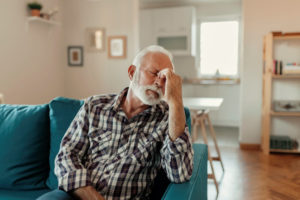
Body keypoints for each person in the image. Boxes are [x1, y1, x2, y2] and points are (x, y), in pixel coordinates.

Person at [38, 45, 193, 200]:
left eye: (166, 78)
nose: (159, 82)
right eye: (154, 73)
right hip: (78, 196)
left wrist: (176, 101)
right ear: (132, 73)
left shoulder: (167, 118)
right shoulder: (95, 105)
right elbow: (67, 155)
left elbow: (180, 173)